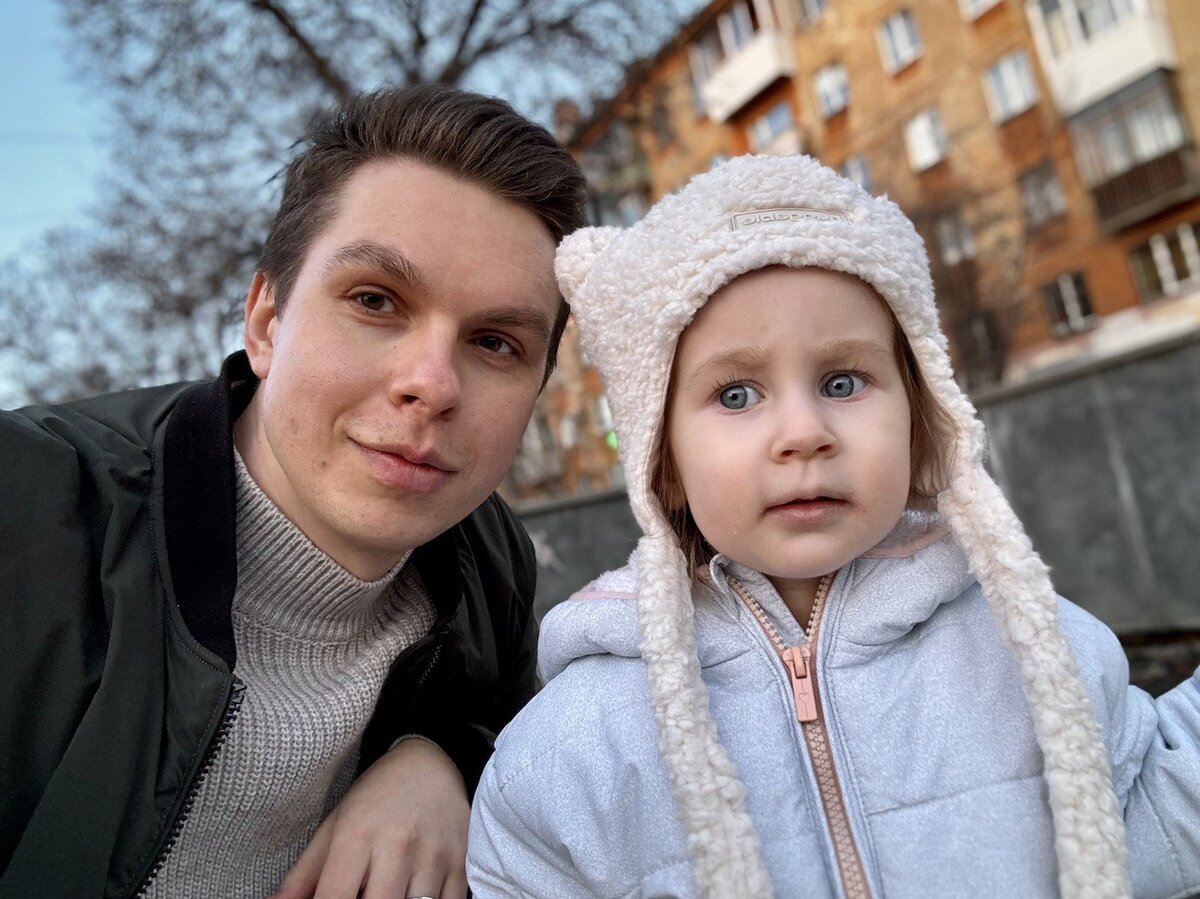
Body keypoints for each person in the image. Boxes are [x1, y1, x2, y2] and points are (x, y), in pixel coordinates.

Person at [467, 154, 1200, 898]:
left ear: (919, 418)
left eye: (842, 382)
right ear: (664, 462)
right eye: (737, 394)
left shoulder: (1038, 652)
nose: (803, 433)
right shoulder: (573, 751)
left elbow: (1160, 817)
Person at [0, 84, 585, 898]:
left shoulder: (490, 563)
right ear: (266, 322)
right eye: (375, 301)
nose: (432, 384)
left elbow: (517, 736)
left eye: (495, 342)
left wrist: (447, 757)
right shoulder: (32, 513)